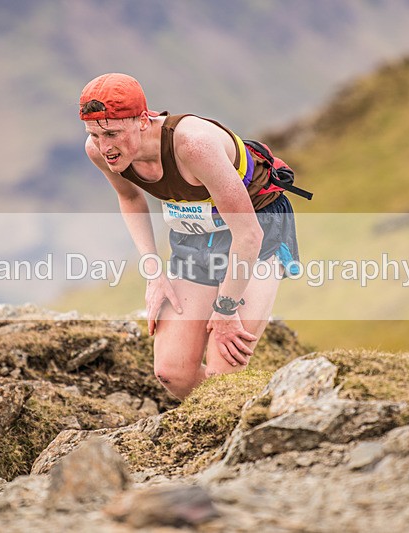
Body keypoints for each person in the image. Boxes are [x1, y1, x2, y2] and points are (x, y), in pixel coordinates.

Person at [79, 73, 300, 399]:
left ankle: (253, 416)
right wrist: (154, 273)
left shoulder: (194, 145)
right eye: (95, 134)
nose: (105, 147)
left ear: (143, 120)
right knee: (173, 373)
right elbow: (129, 198)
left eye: (112, 133)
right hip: (194, 240)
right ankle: (228, 412)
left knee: (222, 370)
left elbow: (248, 234)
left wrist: (225, 311)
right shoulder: (98, 150)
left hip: (257, 233)